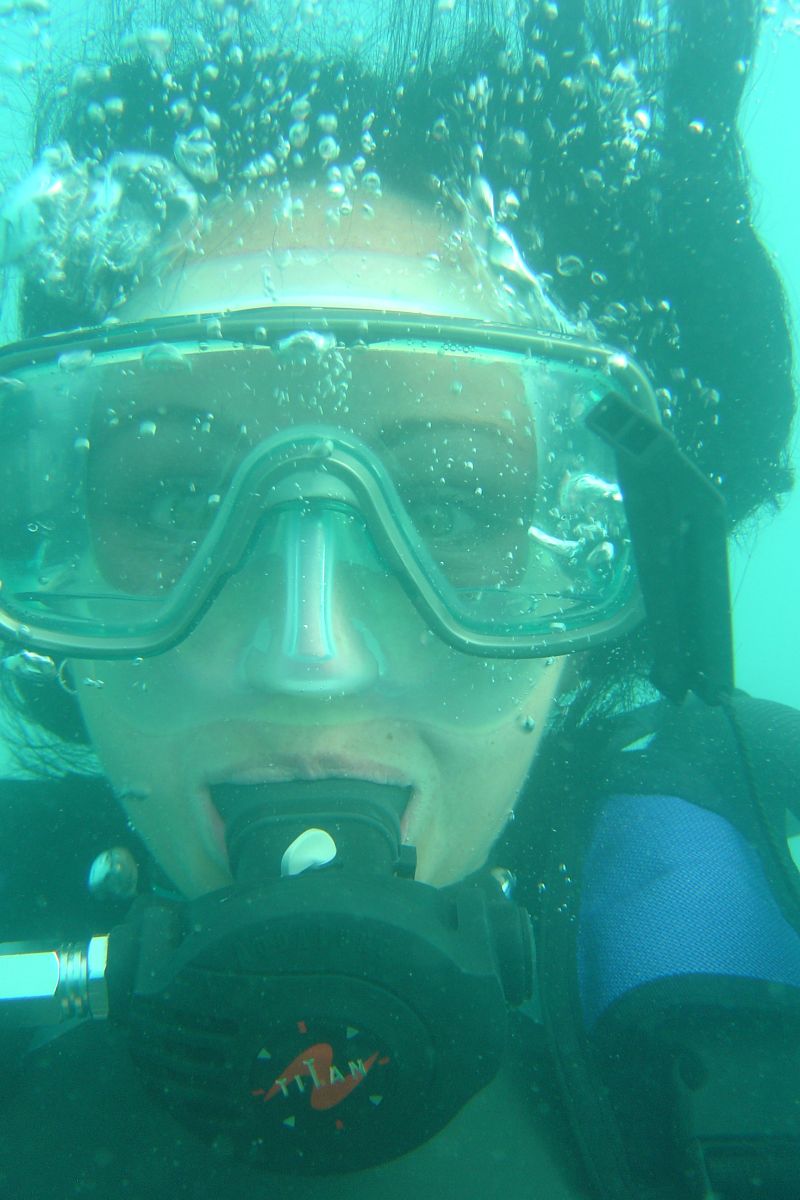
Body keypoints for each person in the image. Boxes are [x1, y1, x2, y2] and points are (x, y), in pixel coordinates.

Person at [0, 1, 798, 1197]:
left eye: (455, 504)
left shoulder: (760, 907)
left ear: (596, 568)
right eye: (173, 499)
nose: (307, 659)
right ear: (50, 556)